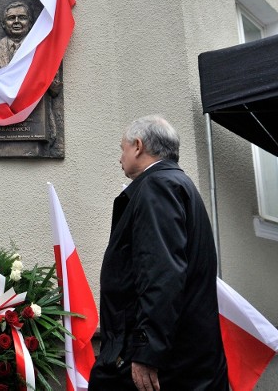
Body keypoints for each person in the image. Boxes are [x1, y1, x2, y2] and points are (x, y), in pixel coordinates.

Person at [89, 115, 229, 391]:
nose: (121, 157)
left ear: (138, 146)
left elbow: (162, 274)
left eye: (123, 148)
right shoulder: (178, 185)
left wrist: (146, 350)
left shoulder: (158, 187)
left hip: (162, 362)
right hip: (183, 357)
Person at [0, 1, 33, 69]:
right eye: (11, 18)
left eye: (22, 17)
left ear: (30, 23)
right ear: (3, 24)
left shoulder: (39, 48)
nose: (16, 21)